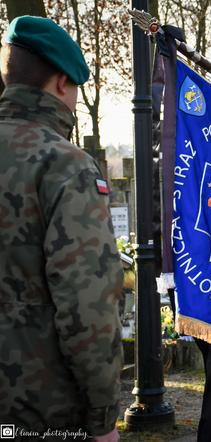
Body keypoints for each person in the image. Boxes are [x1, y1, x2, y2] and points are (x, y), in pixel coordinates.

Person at [0, 16, 123, 442]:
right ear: (59, 84)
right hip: (39, 410)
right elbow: (86, 305)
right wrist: (103, 417)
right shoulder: (64, 166)